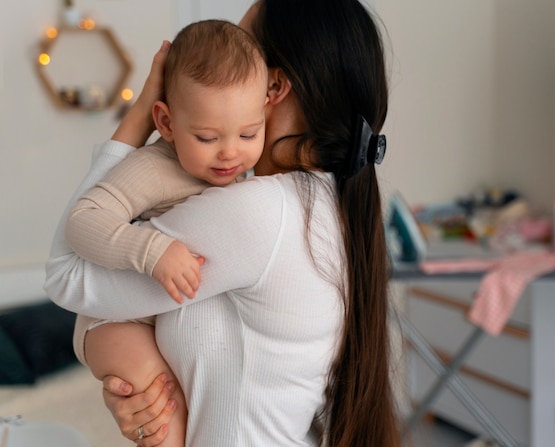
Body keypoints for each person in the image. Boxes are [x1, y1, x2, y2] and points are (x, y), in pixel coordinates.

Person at [44, 0, 401, 446]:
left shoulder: (258, 213)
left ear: (273, 86)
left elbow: (66, 275)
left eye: (244, 48)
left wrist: (139, 117)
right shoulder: (324, 201)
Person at [63, 19, 268, 447]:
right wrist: (152, 249)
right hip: (115, 322)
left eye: (249, 133)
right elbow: (83, 220)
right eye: (207, 136)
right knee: (165, 416)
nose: (231, 152)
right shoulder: (154, 168)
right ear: (167, 123)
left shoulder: (247, 174)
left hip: (164, 320)